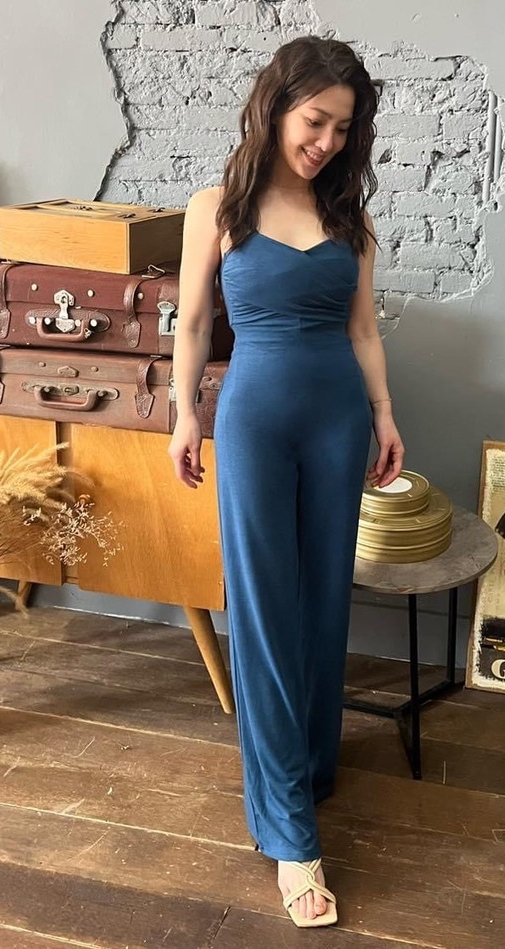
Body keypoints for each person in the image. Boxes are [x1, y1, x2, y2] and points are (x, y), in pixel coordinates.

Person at [168, 35, 404, 929]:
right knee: (265, 611)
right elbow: (194, 323)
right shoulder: (217, 207)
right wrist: (185, 415)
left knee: (322, 601)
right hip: (256, 422)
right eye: (315, 121)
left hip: (339, 420)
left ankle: (306, 765)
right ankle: (290, 836)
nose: (326, 142)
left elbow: (363, 331)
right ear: (275, 106)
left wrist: (384, 415)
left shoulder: (349, 216)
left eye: (343, 129)